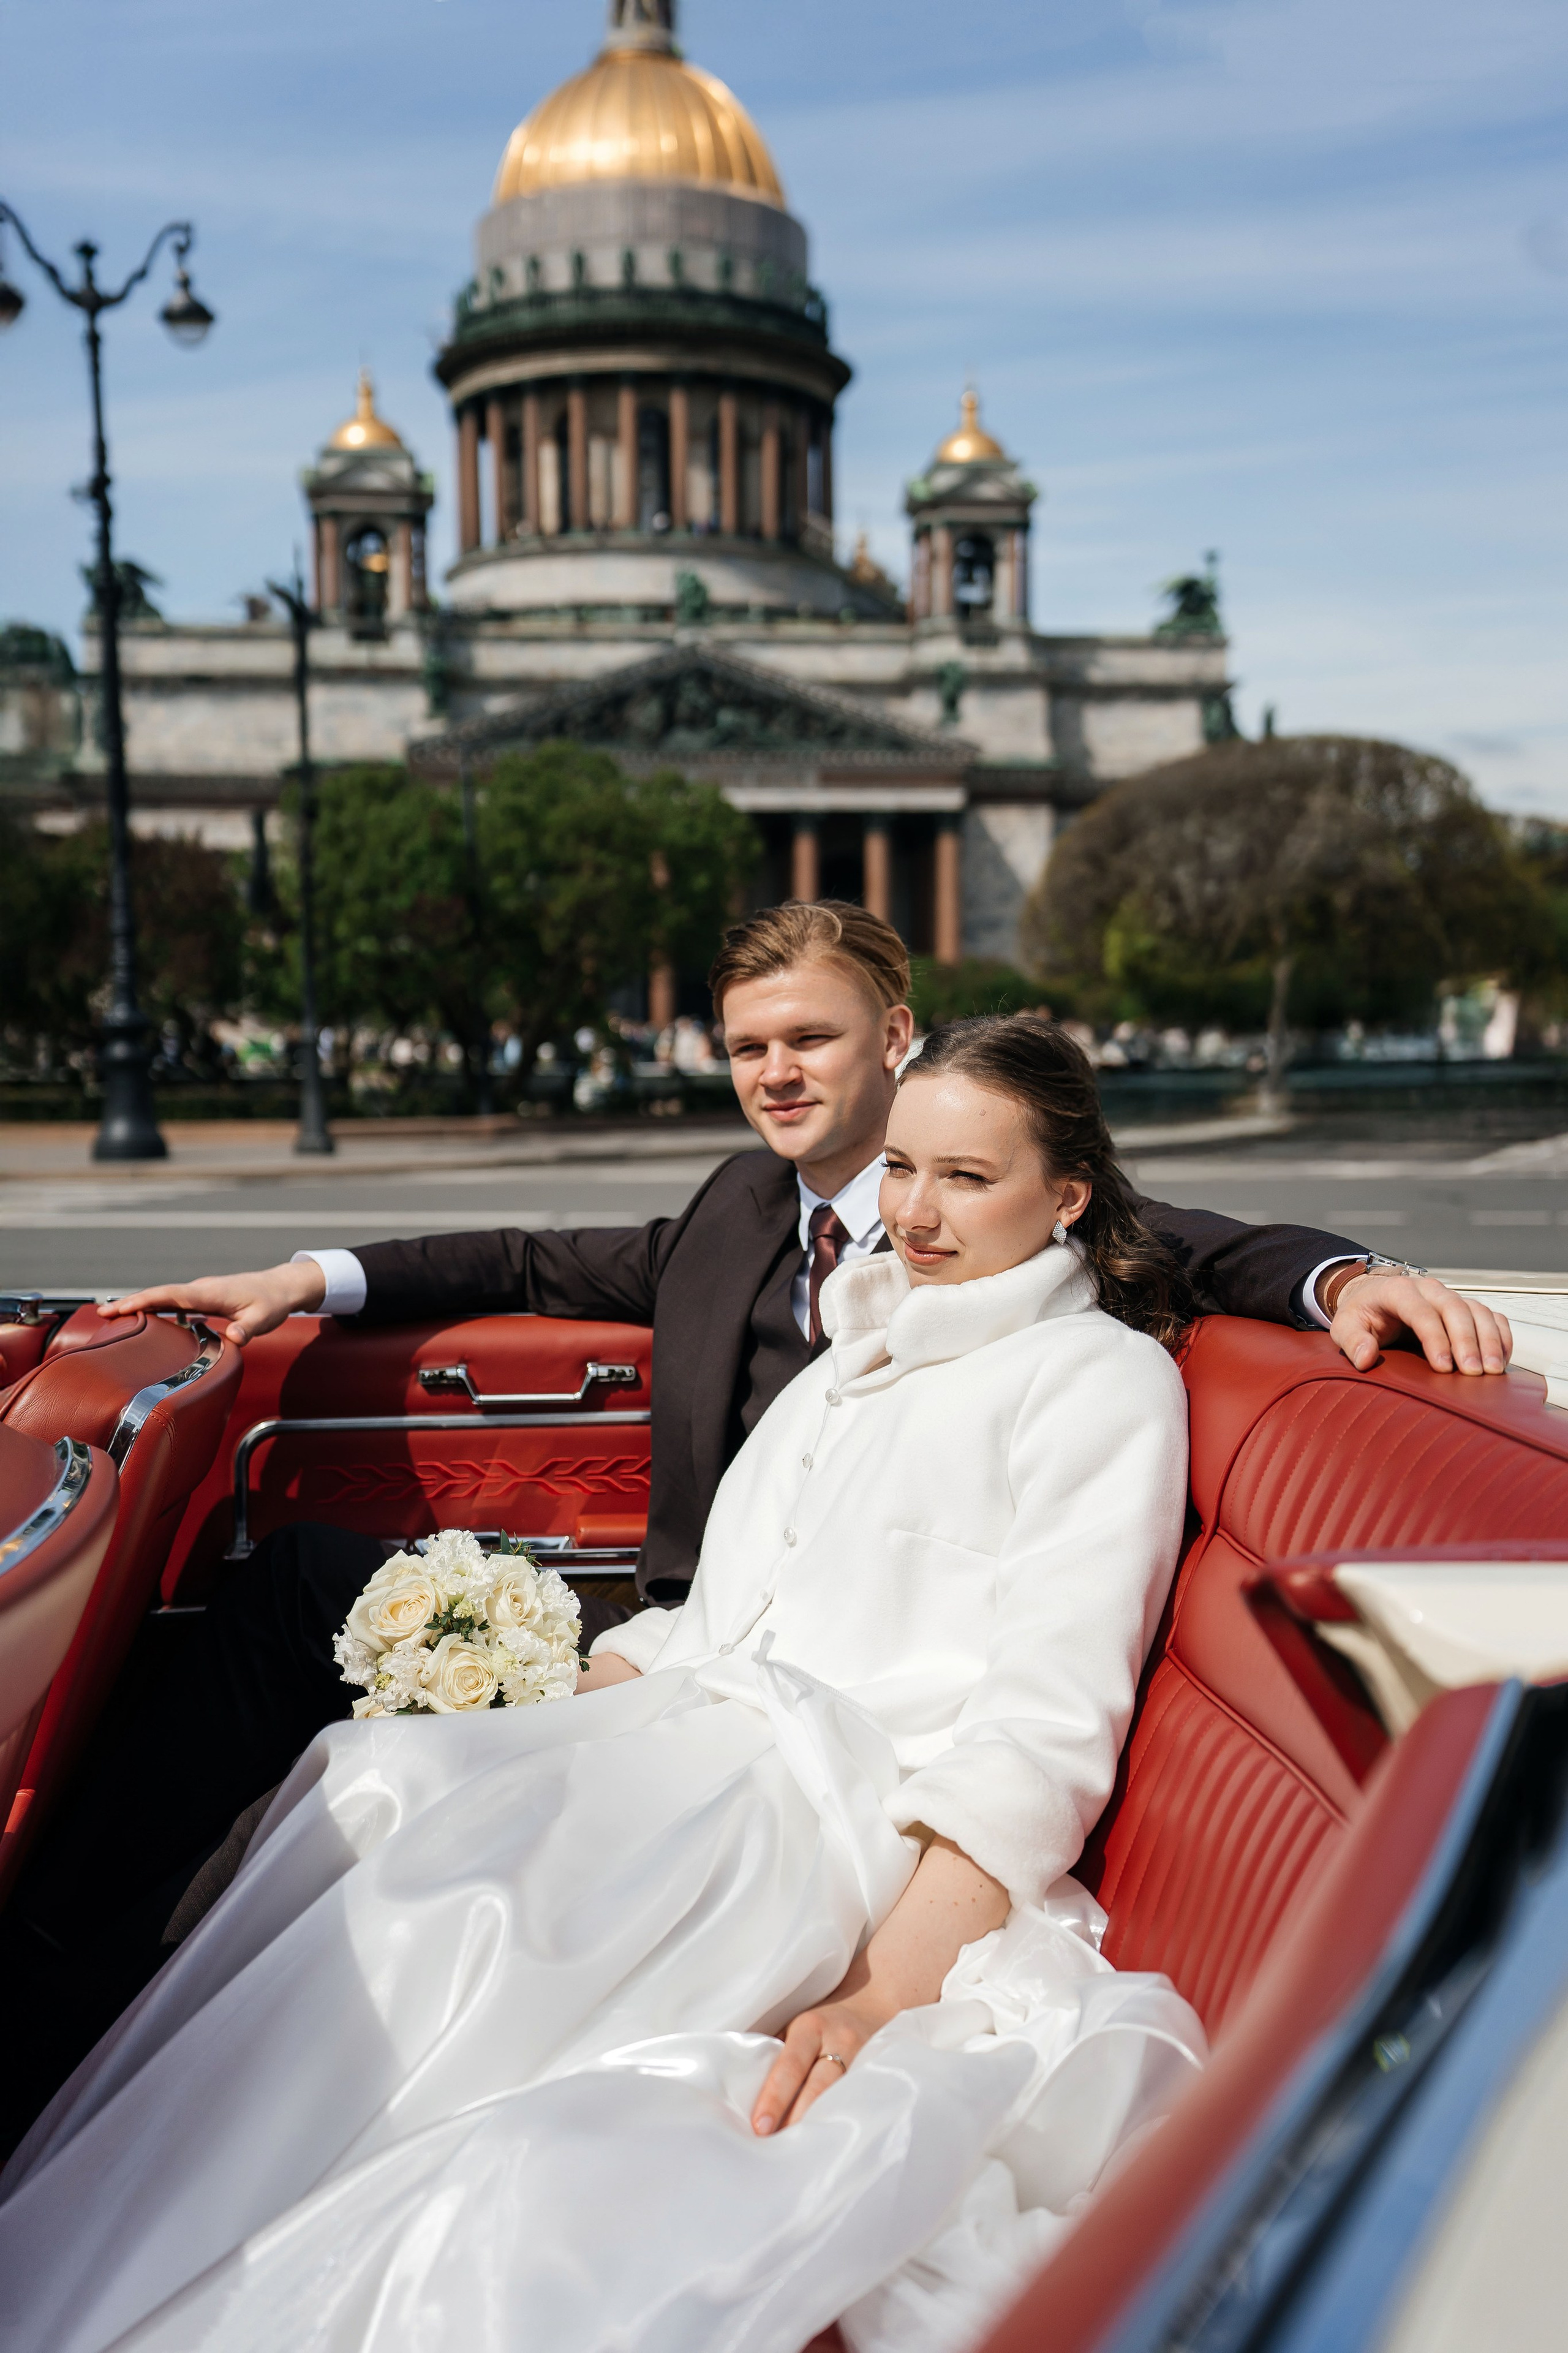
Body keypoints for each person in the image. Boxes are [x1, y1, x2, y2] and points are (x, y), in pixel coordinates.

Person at [2, 903, 1510, 2113]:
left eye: (811, 1040)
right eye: (747, 1047)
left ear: (897, 1040)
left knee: (377, 1791)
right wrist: (295, 1284)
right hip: (682, 1648)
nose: (780, 1075)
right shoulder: (740, 1209)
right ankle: (66, 1979)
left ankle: (81, 2004)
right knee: (299, 1639)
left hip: (812, 1735)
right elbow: (526, 1261)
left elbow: (1181, 1237)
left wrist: (1337, 1277)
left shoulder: (1021, 1253)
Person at [0, 1016, 1209, 2353]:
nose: (915, 1213)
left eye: (966, 1179)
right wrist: (568, 1700)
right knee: (380, 1775)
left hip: (831, 1810)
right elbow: (723, 1610)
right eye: (906, 1171)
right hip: (695, 1726)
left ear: (1068, 1194)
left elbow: (1044, 1723)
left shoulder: (1101, 1383)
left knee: (450, 1895)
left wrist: (883, 1986)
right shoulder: (862, 1356)